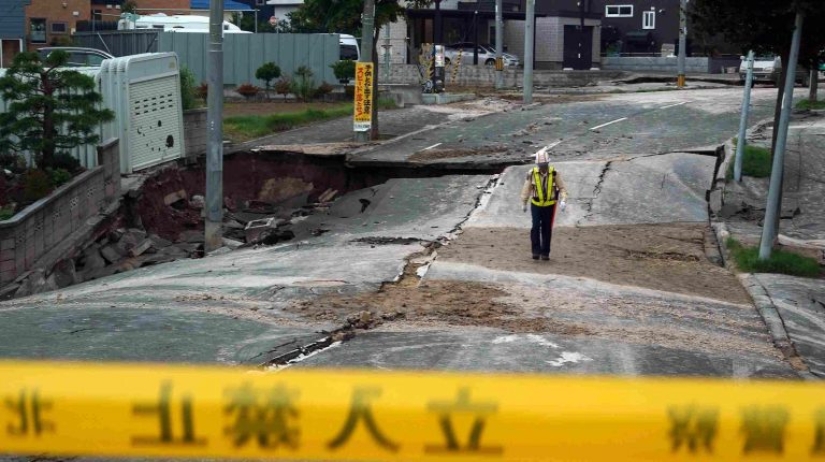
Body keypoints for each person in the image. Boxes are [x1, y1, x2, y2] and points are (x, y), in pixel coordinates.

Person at [520, 148, 567, 260]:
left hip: (549, 206)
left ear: (548, 163)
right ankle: (535, 251)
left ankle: (545, 253)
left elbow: (562, 187)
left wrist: (564, 199)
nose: (543, 167)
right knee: (535, 227)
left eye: (545, 164)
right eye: (541, 164)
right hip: (536, 205)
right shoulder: (532, 174)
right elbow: (526, 189)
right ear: (537, 164)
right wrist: (524, 202)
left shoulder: (555, 173)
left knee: (547, 229)